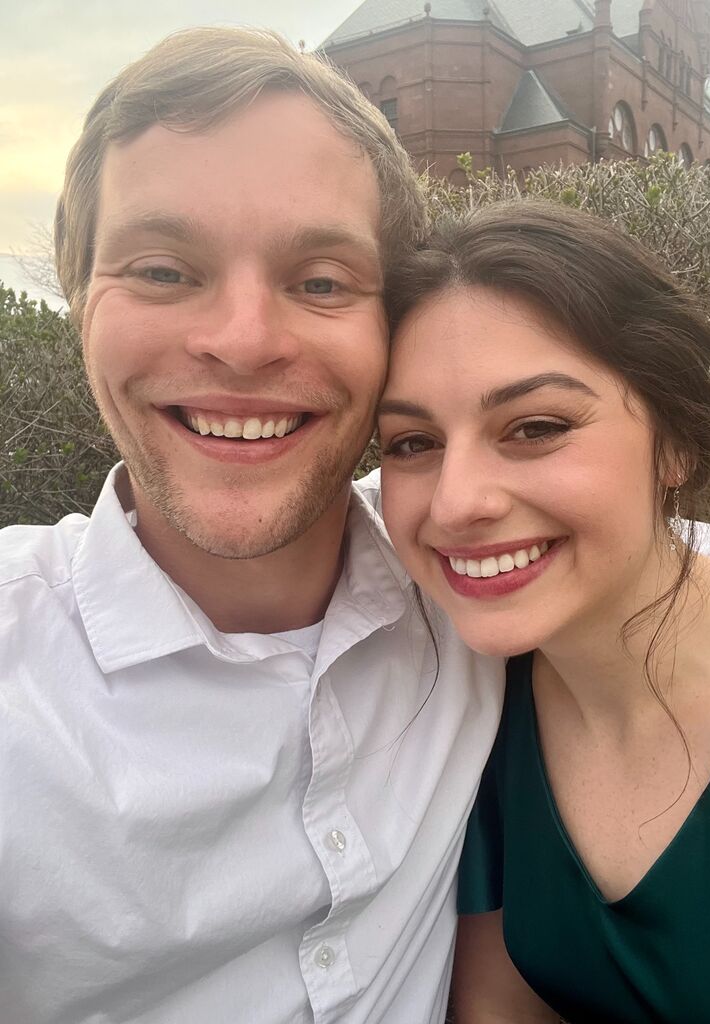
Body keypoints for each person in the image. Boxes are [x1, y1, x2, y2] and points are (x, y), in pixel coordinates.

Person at [0, 27, 508, 1024]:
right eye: (160, 270)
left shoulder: (479, 566)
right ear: (79, 304)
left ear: (391, 324)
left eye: (320, 281)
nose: (242, 342)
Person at [378, 201, 710, 1023]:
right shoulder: (476, 692)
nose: (456, 504)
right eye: (412, 443)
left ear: (675, 444)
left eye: (535, 427)